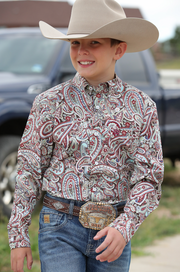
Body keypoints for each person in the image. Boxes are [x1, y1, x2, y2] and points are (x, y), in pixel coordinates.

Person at [7, 0, 164, 271]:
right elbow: (29, 170)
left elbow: (149, 179)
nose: (82, 52)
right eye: (75, 43)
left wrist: (125, 227)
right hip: (59, 226)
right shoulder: (49, 103)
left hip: (113, 229)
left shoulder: (141, 107)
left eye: (94, 43)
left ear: (120, 49)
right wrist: (18, 235)